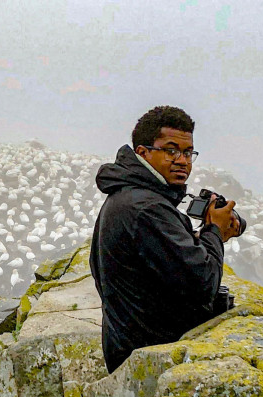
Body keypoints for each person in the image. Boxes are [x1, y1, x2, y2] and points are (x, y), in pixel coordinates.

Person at [89, 105, 241, 373]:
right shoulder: (146, 208)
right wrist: (214, 231)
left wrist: (202, 236)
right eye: (170, 150)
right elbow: (204, 282)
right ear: (143, 153)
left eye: (187, 152)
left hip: (130, 347)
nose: (181, 160)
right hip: (151, 359)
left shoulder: (129, 196)